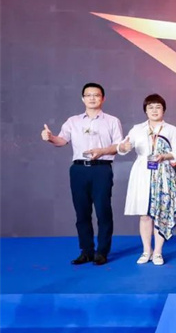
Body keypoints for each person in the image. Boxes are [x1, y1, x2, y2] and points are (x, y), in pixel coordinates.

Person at [40, 83, 123, 265]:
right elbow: (62, 140)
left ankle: (102, 252)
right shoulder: (73, 121)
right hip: (78, 170)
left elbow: (119, 146)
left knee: (103, 211)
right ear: (82, 98)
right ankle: (86, 251)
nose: (92, 98)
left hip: (101, 169)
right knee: (82, 212)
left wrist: (102, 151)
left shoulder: (112, 121)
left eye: (96, 95)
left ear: (103, 98)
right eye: (88, 95)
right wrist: (50, 138)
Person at [117, 94, 176, 266]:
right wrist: (123, 147)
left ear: (164, 110)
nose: (154, 110)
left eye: (158, 107)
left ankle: (158, 252)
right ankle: (147, 250)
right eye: (150, 107)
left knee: (161, 213)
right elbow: (124, 147)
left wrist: (164, 156)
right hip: (142, 173)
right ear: (145, 110)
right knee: (145, 214)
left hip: (163, 172)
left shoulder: (171, 129)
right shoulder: (137, 129)